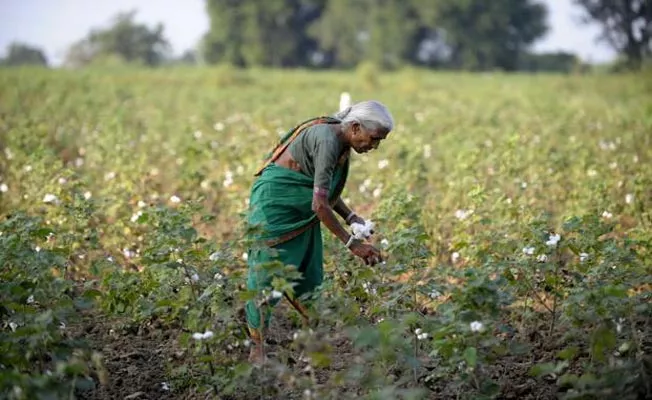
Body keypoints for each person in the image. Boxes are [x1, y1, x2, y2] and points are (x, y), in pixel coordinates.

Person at [243, 100, 394, 364]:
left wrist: (351, 217)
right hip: (277, 206)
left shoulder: (339, 139)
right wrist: (353, 244)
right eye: (373, 139)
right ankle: (257, 350)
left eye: (379, 141)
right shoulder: (328, 142)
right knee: (267, 275)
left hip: (301, 209)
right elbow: (319, 204)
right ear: (356, 128)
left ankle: (313, 346)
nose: (374, 146)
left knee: (307, 273)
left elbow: (321, 190)